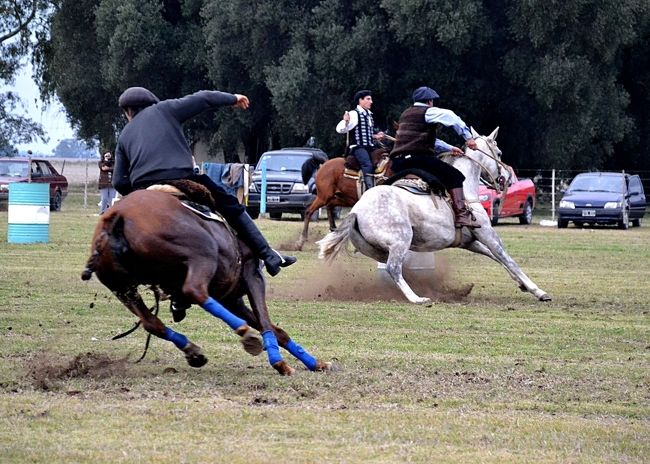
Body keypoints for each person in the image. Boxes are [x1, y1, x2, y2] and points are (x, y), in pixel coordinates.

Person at [112, 86, 296, 276]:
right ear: (152, 103)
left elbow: (118, 181)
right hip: (182, 179)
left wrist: (139, 193)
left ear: (128, 112)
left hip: (144, 188)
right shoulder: (165, 109)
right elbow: (203, 98)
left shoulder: (124, 136)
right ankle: (269, 255)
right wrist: (233, 97)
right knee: (230, 204)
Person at [390, 86, 480, 228]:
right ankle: (462, 215)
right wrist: (468, 138)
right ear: (430, 101)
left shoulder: (405, 114)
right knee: (455, 176)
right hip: (418, 159)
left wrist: (450, 148)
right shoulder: (427, 112)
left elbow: (432, 141)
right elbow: (451, 117)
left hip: (398, 162)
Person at [335, 90, 385, 191]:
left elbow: (365, 133)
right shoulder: (354, 114)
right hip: (358, 147)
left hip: (370, 147)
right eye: (368, 99)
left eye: (371, 99)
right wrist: (346, 121)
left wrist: (375, 136)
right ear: (360, 100)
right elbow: (340, 129)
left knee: (384, 156)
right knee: (367, 164)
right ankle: (370, 190)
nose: (371, 102)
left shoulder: (369, 115)